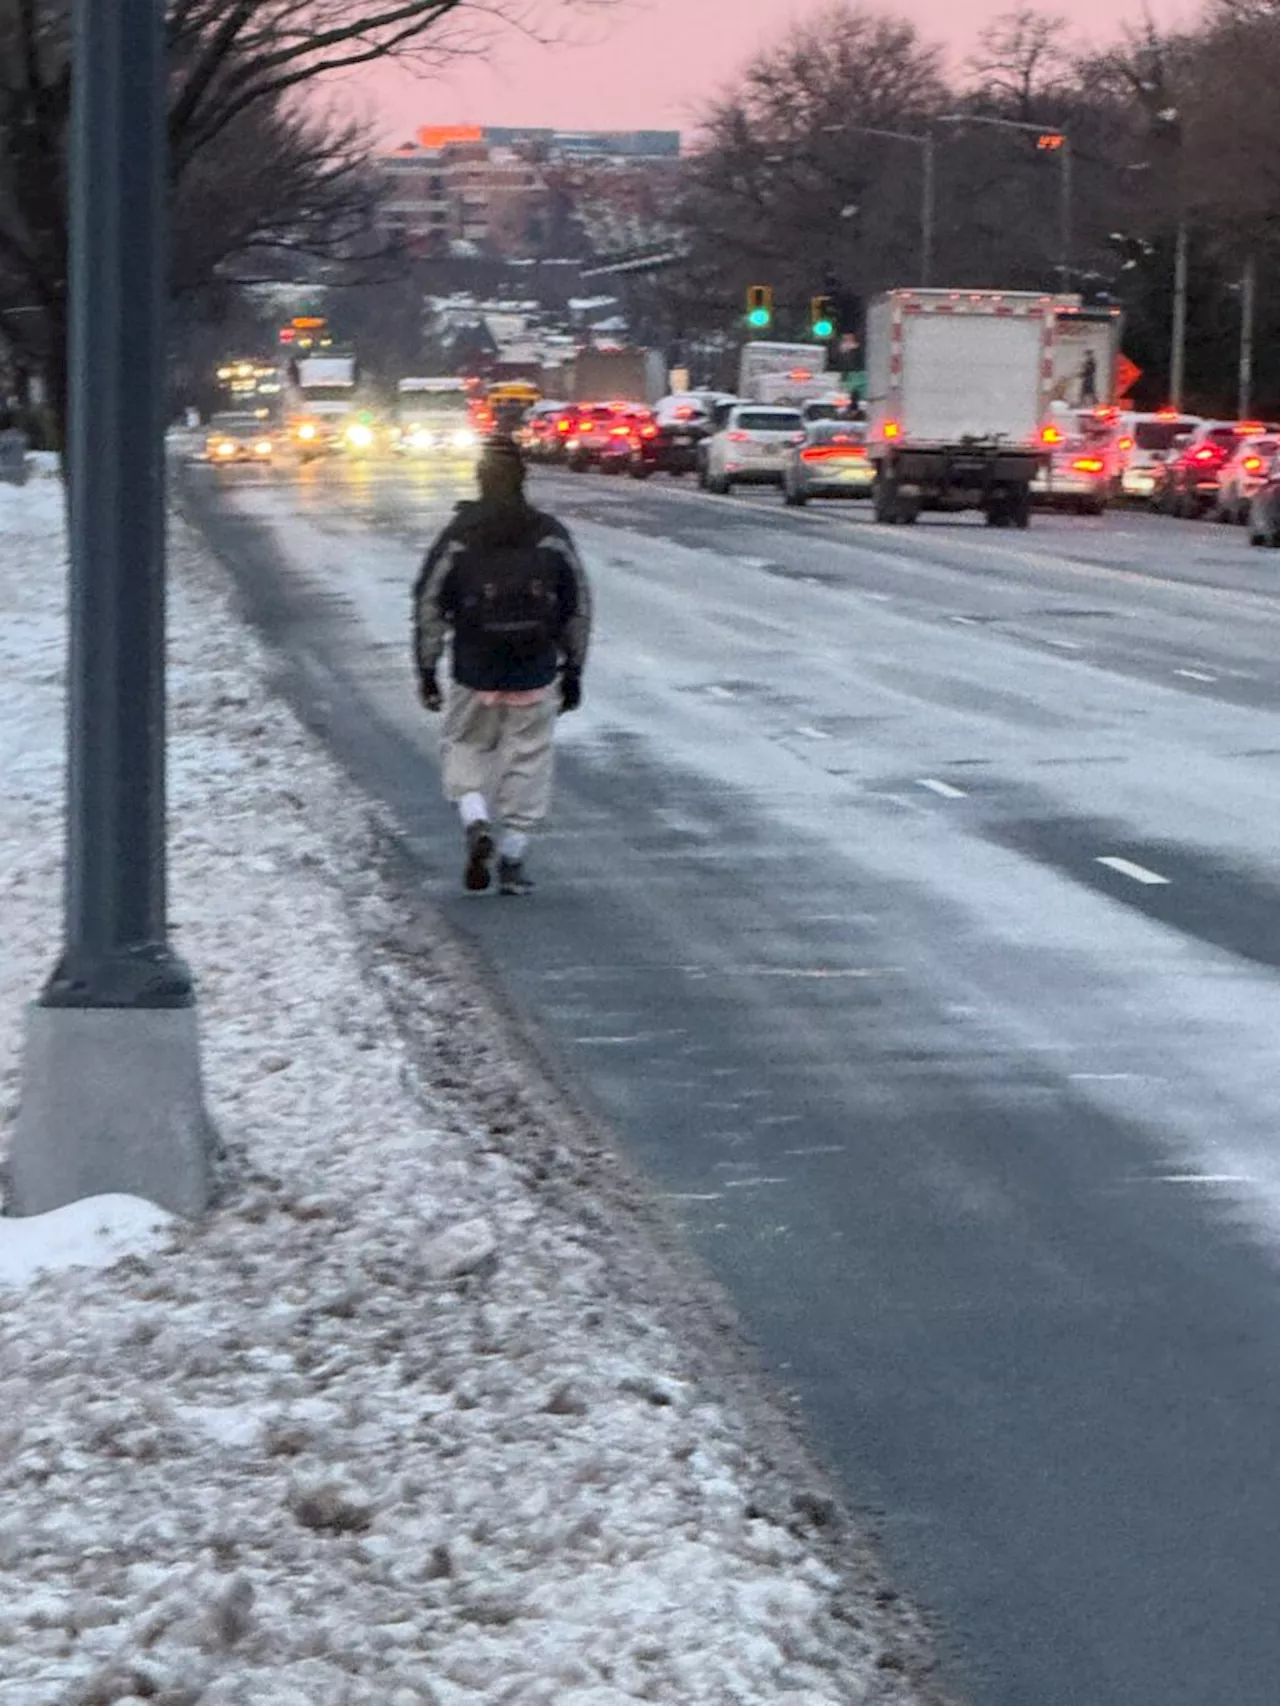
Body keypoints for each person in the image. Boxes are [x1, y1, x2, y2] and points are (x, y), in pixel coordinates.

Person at [413, 436, 591, 896]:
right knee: (529, 757)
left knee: (464, 745)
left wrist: (427, 668)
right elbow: (577, 606)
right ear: (523, 478)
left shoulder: (460, 534)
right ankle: (513, 858)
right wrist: (573, 670)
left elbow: (429, 601)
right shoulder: (548, 533)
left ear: (479, 477)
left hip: (475, 667)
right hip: (534, 668)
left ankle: (475, 820)